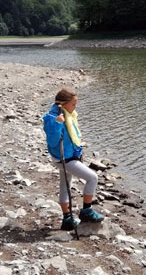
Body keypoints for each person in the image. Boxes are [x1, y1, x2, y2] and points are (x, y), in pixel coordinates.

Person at [43, 87, 104, 230]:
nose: (75, 107)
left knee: (65, 186)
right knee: (92, 178)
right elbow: (53, 142)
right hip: (64, 159)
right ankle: (86, 211)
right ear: (63, 104)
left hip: (70, 156)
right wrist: (58, 123)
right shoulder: (53, 118)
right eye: (73, 104)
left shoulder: (67, 114)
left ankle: (67, 220)